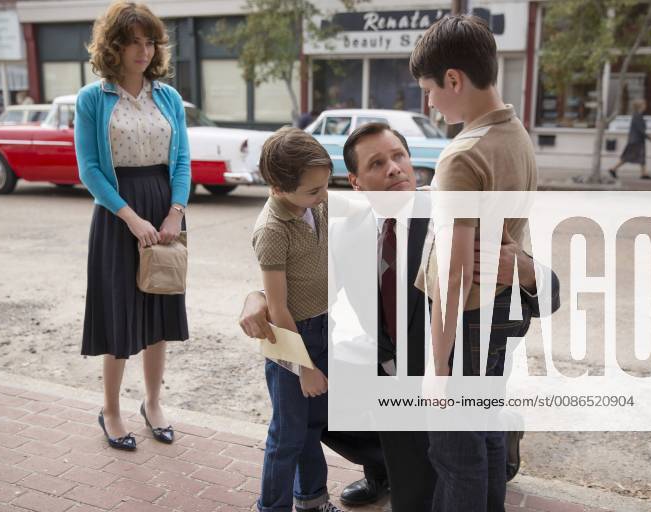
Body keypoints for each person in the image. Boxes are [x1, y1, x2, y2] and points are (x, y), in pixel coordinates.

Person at [240, 122, 560, 510]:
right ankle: (383, 468)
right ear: (356, 182)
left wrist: (523, 268)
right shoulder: (347, 231)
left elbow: (548, 295)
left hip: (453, 384)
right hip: (396, 381)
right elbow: (296, 273)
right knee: (310, 399)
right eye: (377, 163)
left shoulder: (456, 218)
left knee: (463, 480)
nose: (393, 168)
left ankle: (499, 433)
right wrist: (255, 297)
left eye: (399, 156)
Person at [410, 14, 539, 511]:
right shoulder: (516, 136)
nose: (429, 102)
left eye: (429, 89)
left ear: (454, 79)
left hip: (463, 324)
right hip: (499, 316)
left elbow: (454, 270)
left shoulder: (462, 154)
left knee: (455, 457)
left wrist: (436, 367)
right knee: (485, 440)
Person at [74, 0, 190, 451]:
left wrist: (173, 212)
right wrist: (132, 217)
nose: (143, 51)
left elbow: (179, 161)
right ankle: (110, 410)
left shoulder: (169, 97)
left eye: (150, 42)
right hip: (118, 212)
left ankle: (153, 403)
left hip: (165, 207)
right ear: (113, 46)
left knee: (160, 308)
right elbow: (90, 170)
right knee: (118, 313)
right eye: (133, 42)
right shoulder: (92, 99)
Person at [251, 127, 343, 512]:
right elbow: (278, 308)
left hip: (325, 328)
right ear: (278, 188)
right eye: (314, 191)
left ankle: (311, 500)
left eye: (326, 186)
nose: (323, 196)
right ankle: (271, 507)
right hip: (293, 337)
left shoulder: (314, 204)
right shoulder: (273, 231)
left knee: (310, 427)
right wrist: (303, 367)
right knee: (287, 433)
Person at [609, 98, 651, 180]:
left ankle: (644, 173)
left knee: (641, 156)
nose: (645, 106)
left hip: (638, 140)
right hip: (635, 141)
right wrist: (649, 137)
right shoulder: (637, 116)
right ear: (640, 106)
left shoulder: (638, 115)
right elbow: (640, 129)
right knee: (628, 157)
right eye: (644, 104)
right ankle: (613, 169)